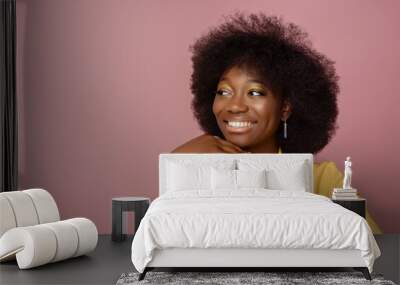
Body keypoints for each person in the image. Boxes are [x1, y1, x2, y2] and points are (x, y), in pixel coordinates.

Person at [171, 12, 382, 234]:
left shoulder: (322, 179)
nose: (234, 106)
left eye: (254, 92)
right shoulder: (199, 166)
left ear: (285, 108)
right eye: (224, 91)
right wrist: (181, 160)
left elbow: (374, 249)